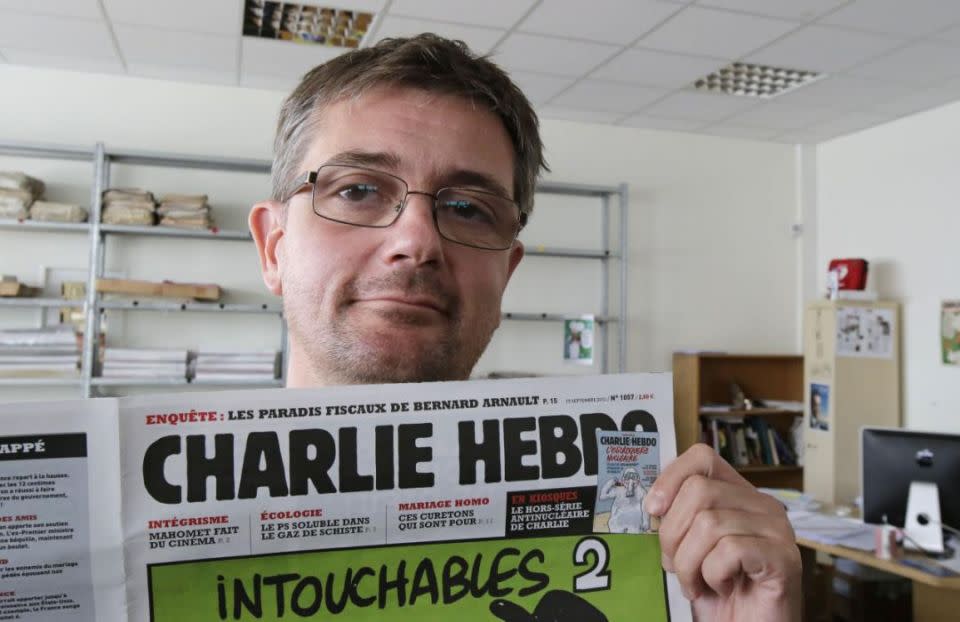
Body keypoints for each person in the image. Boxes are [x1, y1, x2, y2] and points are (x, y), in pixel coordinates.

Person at [249, 33, 801, 622]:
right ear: (274, 249)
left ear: (506, 271)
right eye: (357, 190)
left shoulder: (659, 555)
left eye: (467, 208)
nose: (416, 241)